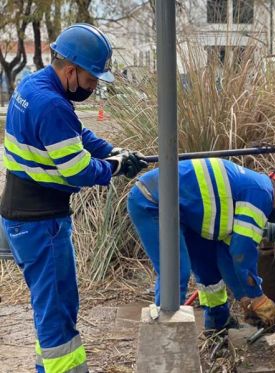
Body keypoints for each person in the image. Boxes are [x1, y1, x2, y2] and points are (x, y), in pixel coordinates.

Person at [0, 23, 147, 373]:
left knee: (49, 306)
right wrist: (114, 167)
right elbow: (78, 170)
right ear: (70, 71)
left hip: (22, 216)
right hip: (40, 223)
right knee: (58, 310)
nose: (94, 88)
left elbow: (77, 135)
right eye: (92, 80)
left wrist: (114, 151)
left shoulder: (34, 85)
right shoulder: (52, 105)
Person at [127, 159, 275, 332]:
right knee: (175, 272)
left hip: (184, 212)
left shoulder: (253, 188)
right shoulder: (262, 195)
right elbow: (242, 252)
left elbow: (226, 256)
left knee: (208, 265)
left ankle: (218, 323)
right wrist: (257, 297)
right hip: (153, 201)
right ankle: (164, 342)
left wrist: (245, 296)